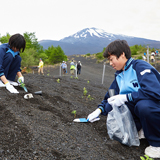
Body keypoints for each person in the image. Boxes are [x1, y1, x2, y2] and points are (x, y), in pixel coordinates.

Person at [87, 40, 160, 158]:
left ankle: (157, 144)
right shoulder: (120, 75)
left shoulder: (139, 67)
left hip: (155, 106)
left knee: (143, 106)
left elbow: (154, 91)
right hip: (141, 110)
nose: (110, 63)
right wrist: (99, 110)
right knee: (114, 104)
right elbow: (110, 96)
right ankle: (142, 129)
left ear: (122, 55)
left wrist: (127, 97)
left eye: (111, 59)